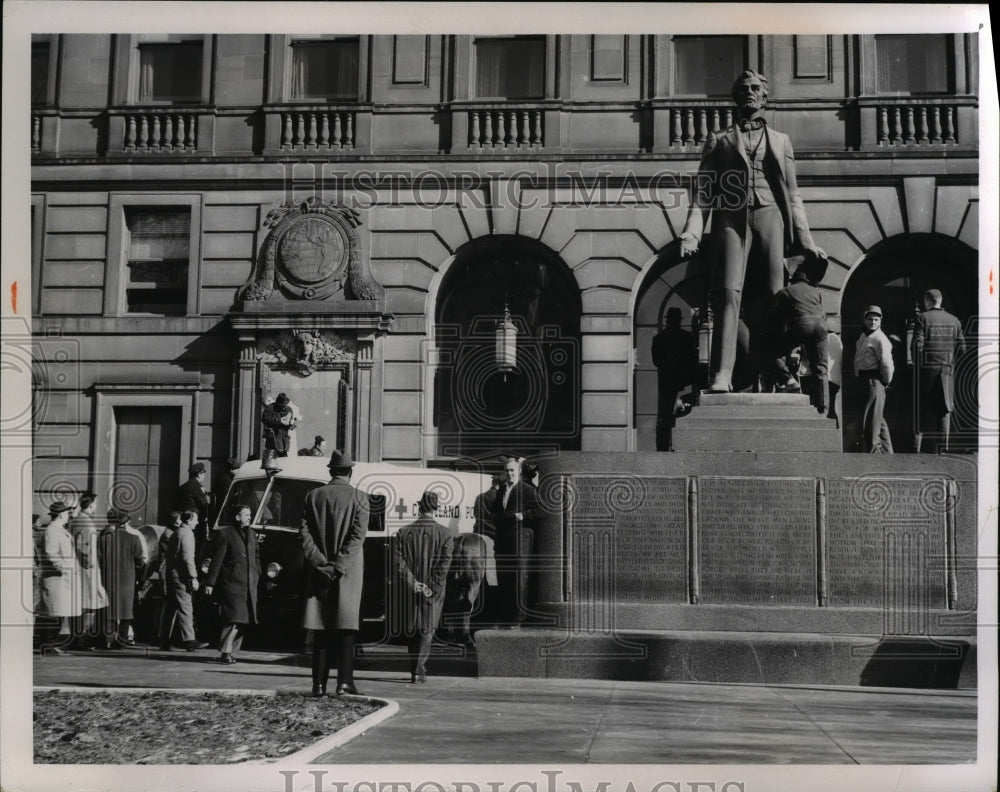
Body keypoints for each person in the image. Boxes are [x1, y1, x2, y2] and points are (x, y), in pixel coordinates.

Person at [678, 69, 826, 393]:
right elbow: (703, 190)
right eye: (743, 88)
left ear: (764, 96)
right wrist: (691, 232)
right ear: (736, 96)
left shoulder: (781, 141)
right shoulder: (719, 140)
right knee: (728, 293)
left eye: (755, 88)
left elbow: (792, 193)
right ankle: (722, 375)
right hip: (730, 219)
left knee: (775, 298)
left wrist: (806, 239)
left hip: (771, 216)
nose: (749, 92)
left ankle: (781, 374)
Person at [299, 449, 369, 696]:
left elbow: (305, 534)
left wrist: (321, 563)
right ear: (350, 471)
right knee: (346, 627)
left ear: (331, 470)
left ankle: (318, 685)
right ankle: (344, 683)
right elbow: (357, 537)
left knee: (320, 626)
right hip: (347, 572)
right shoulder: (360, 498)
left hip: (319, 571)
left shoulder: (312, 496)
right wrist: (338, 566)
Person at [393, 490, 455, 683]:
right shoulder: (445, 534)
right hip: (433, 591)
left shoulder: (403, 533)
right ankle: (418, 670)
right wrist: (430, 586)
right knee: (427, 629)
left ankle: (415, 668)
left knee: (412, 627)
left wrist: (414, 583)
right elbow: (444, 564)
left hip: (409, 589)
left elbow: (398, 561)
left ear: (419, 507)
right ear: (435, 509)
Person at [768, 257, 828, 413]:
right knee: (821, 367)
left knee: (772, 353)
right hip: (821, 326)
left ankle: (788, 380)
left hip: (802, 325)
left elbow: (774, 317)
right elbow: (823, 312)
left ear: (791, 279)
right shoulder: (816, 291)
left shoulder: (785, 291)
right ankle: (822, 407)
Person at [204, 504, 260, 664]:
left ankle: (229, 651)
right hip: (232, 585)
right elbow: (217, 560)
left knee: (244, 619)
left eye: (250, 515)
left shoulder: (252, 533)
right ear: (237, 517)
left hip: (249, 585)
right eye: (246, 515)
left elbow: (256, 557)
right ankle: (226, 652)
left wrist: (257, 573)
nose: (250, 517)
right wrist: (210, 582)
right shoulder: (225, 534)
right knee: (234, 618)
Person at [912, 289, 966, 453]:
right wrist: (950, 363)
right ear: (940, 301)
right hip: (946, 372)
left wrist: (918, 365)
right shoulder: (954, 321)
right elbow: (962, 349)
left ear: (927, 301)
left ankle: (917, 450)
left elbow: (917, 346)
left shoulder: (923, 318)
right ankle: (944, 449)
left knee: (921, 410)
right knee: (944, 410)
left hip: (926, 372)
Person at [492, 457, 539, 629]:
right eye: (507, 470)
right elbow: (496, 512)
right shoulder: (502, 490)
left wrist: (523, 515)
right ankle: (506, 616)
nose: (509, 473)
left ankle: (518, 619)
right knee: (504, 578)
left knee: (519, 579)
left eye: (512, 470)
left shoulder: (527, 489)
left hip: (521, 541)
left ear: (519, 471)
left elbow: (540, 510)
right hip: (503, 541)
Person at [96, 508, 145, 649]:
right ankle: (122, 640)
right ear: (126, 522)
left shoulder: (104, 538)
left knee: (109, 609)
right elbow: (140, 561)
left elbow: (98, 557)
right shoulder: (134, 539)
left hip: (108, 579)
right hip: (127, 580)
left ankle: (108, 639)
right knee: (126, 610)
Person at [161, 510, 210, 652]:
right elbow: (187, 558)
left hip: (171, 574)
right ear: (189, 520)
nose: (198, 522)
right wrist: (193, 577)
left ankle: (165, 641)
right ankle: (189, 640)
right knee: (186, 607)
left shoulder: (176, 532)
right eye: (196, 519)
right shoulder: (187, 534)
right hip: (180, 577)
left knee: (170, 609)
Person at [37, 500, 81, 652]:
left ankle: (50, 644)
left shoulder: (59, 529)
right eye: (67, 513)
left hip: (60, 579)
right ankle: (48, 645)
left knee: (56, 612)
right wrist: (63, 568)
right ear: (61, 514)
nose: (69, 515)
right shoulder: (52, 530)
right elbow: (51, 553)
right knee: (53, 613)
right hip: (56, 578)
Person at [651, 307, 698, 450]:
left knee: (665, 416)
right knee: (670, 415)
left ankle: (664, 446)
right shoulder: (686, 337)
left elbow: (656, 360)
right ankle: (667, 446)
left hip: (673, 382)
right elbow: (692, 360)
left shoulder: (660, 338)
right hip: (679, 382)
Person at [68, 491, 108, 649]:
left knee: (80, 604)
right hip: (87, 570)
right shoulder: (87, 523)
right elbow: (85, 548)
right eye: (95, 504)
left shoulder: (74, 521)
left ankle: (78, 637)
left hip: (77, 569)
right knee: (90, 604)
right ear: (91, 505)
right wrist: (91, 563)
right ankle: (83, 639)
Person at [853, 305, 895, 453]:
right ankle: (888, 454)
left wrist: (885, 381)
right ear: (865, 320)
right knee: (877, 418)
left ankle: (873, 457)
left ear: (880, 320)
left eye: (876, 319)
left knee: (871, 422)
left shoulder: (880, 338)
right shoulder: (864, 335)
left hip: (874, 380)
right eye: (870, 319)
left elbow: (886, 363)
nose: (873, 322)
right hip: (866, 381)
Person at [177, 462, 210, 554]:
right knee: (198, 547)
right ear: (199, 474)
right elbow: (203, 504)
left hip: (184, 520)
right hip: (196, 521)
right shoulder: (196, 487)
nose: (204, 477)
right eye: (203, 474)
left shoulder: (183, 487)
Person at [262, 393, 295, 457]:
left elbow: (290, 422)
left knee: (284, 462)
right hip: (273, 441)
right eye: (282, 405)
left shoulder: (289, 409)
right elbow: (265, 419)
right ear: (278, 403)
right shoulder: (270, 408)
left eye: (285, 405)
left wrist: (291, 424)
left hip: (285, 441)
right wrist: (279, 420)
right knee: (272, 461)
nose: (284, 407)